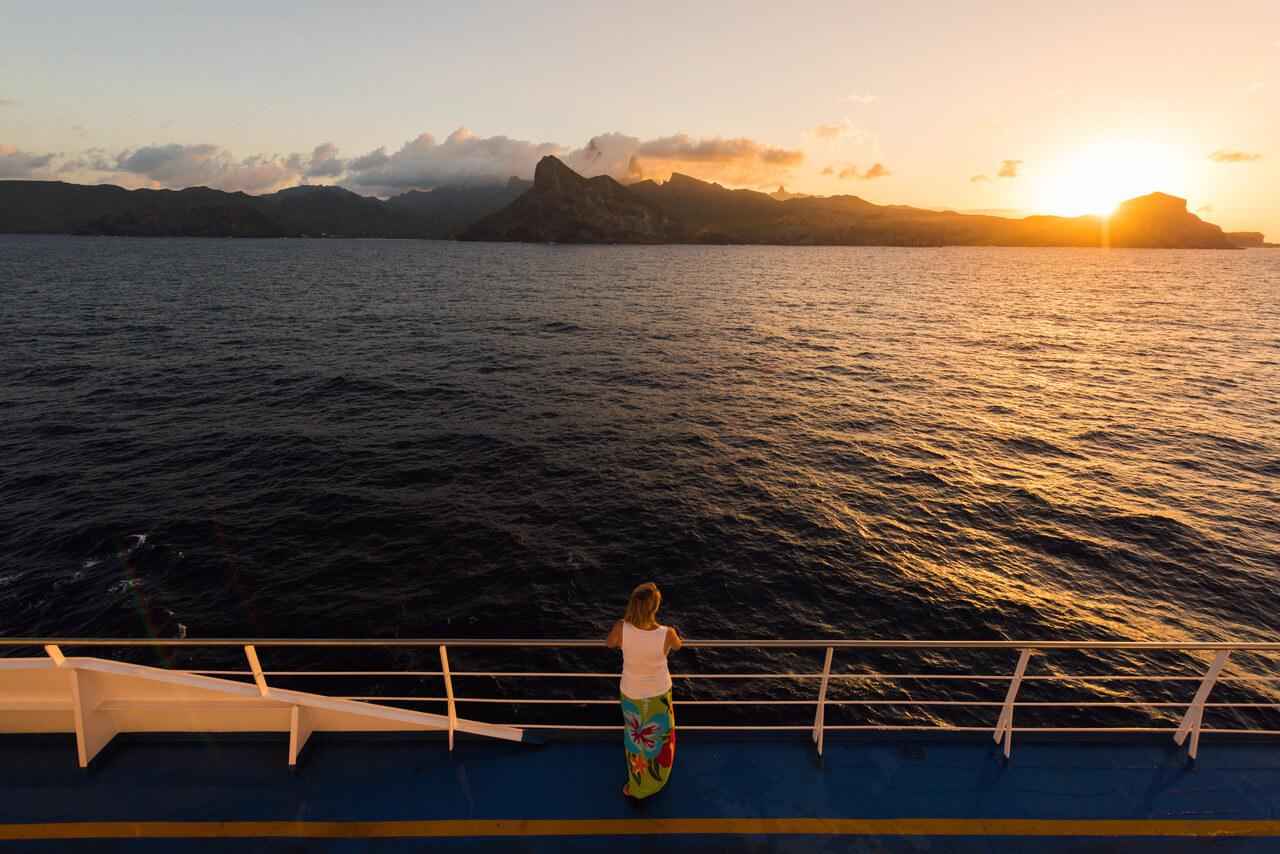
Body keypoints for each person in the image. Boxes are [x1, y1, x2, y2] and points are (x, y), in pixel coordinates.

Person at [605, 581, 681, 802]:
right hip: (659, 694)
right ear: (654, 608)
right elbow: (677, 646)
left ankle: (637, 786)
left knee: (636, 739)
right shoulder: (667, 633)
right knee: (660, 738)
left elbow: (609, 643)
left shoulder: (622, 627)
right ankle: (657, 779)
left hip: (631, 693)